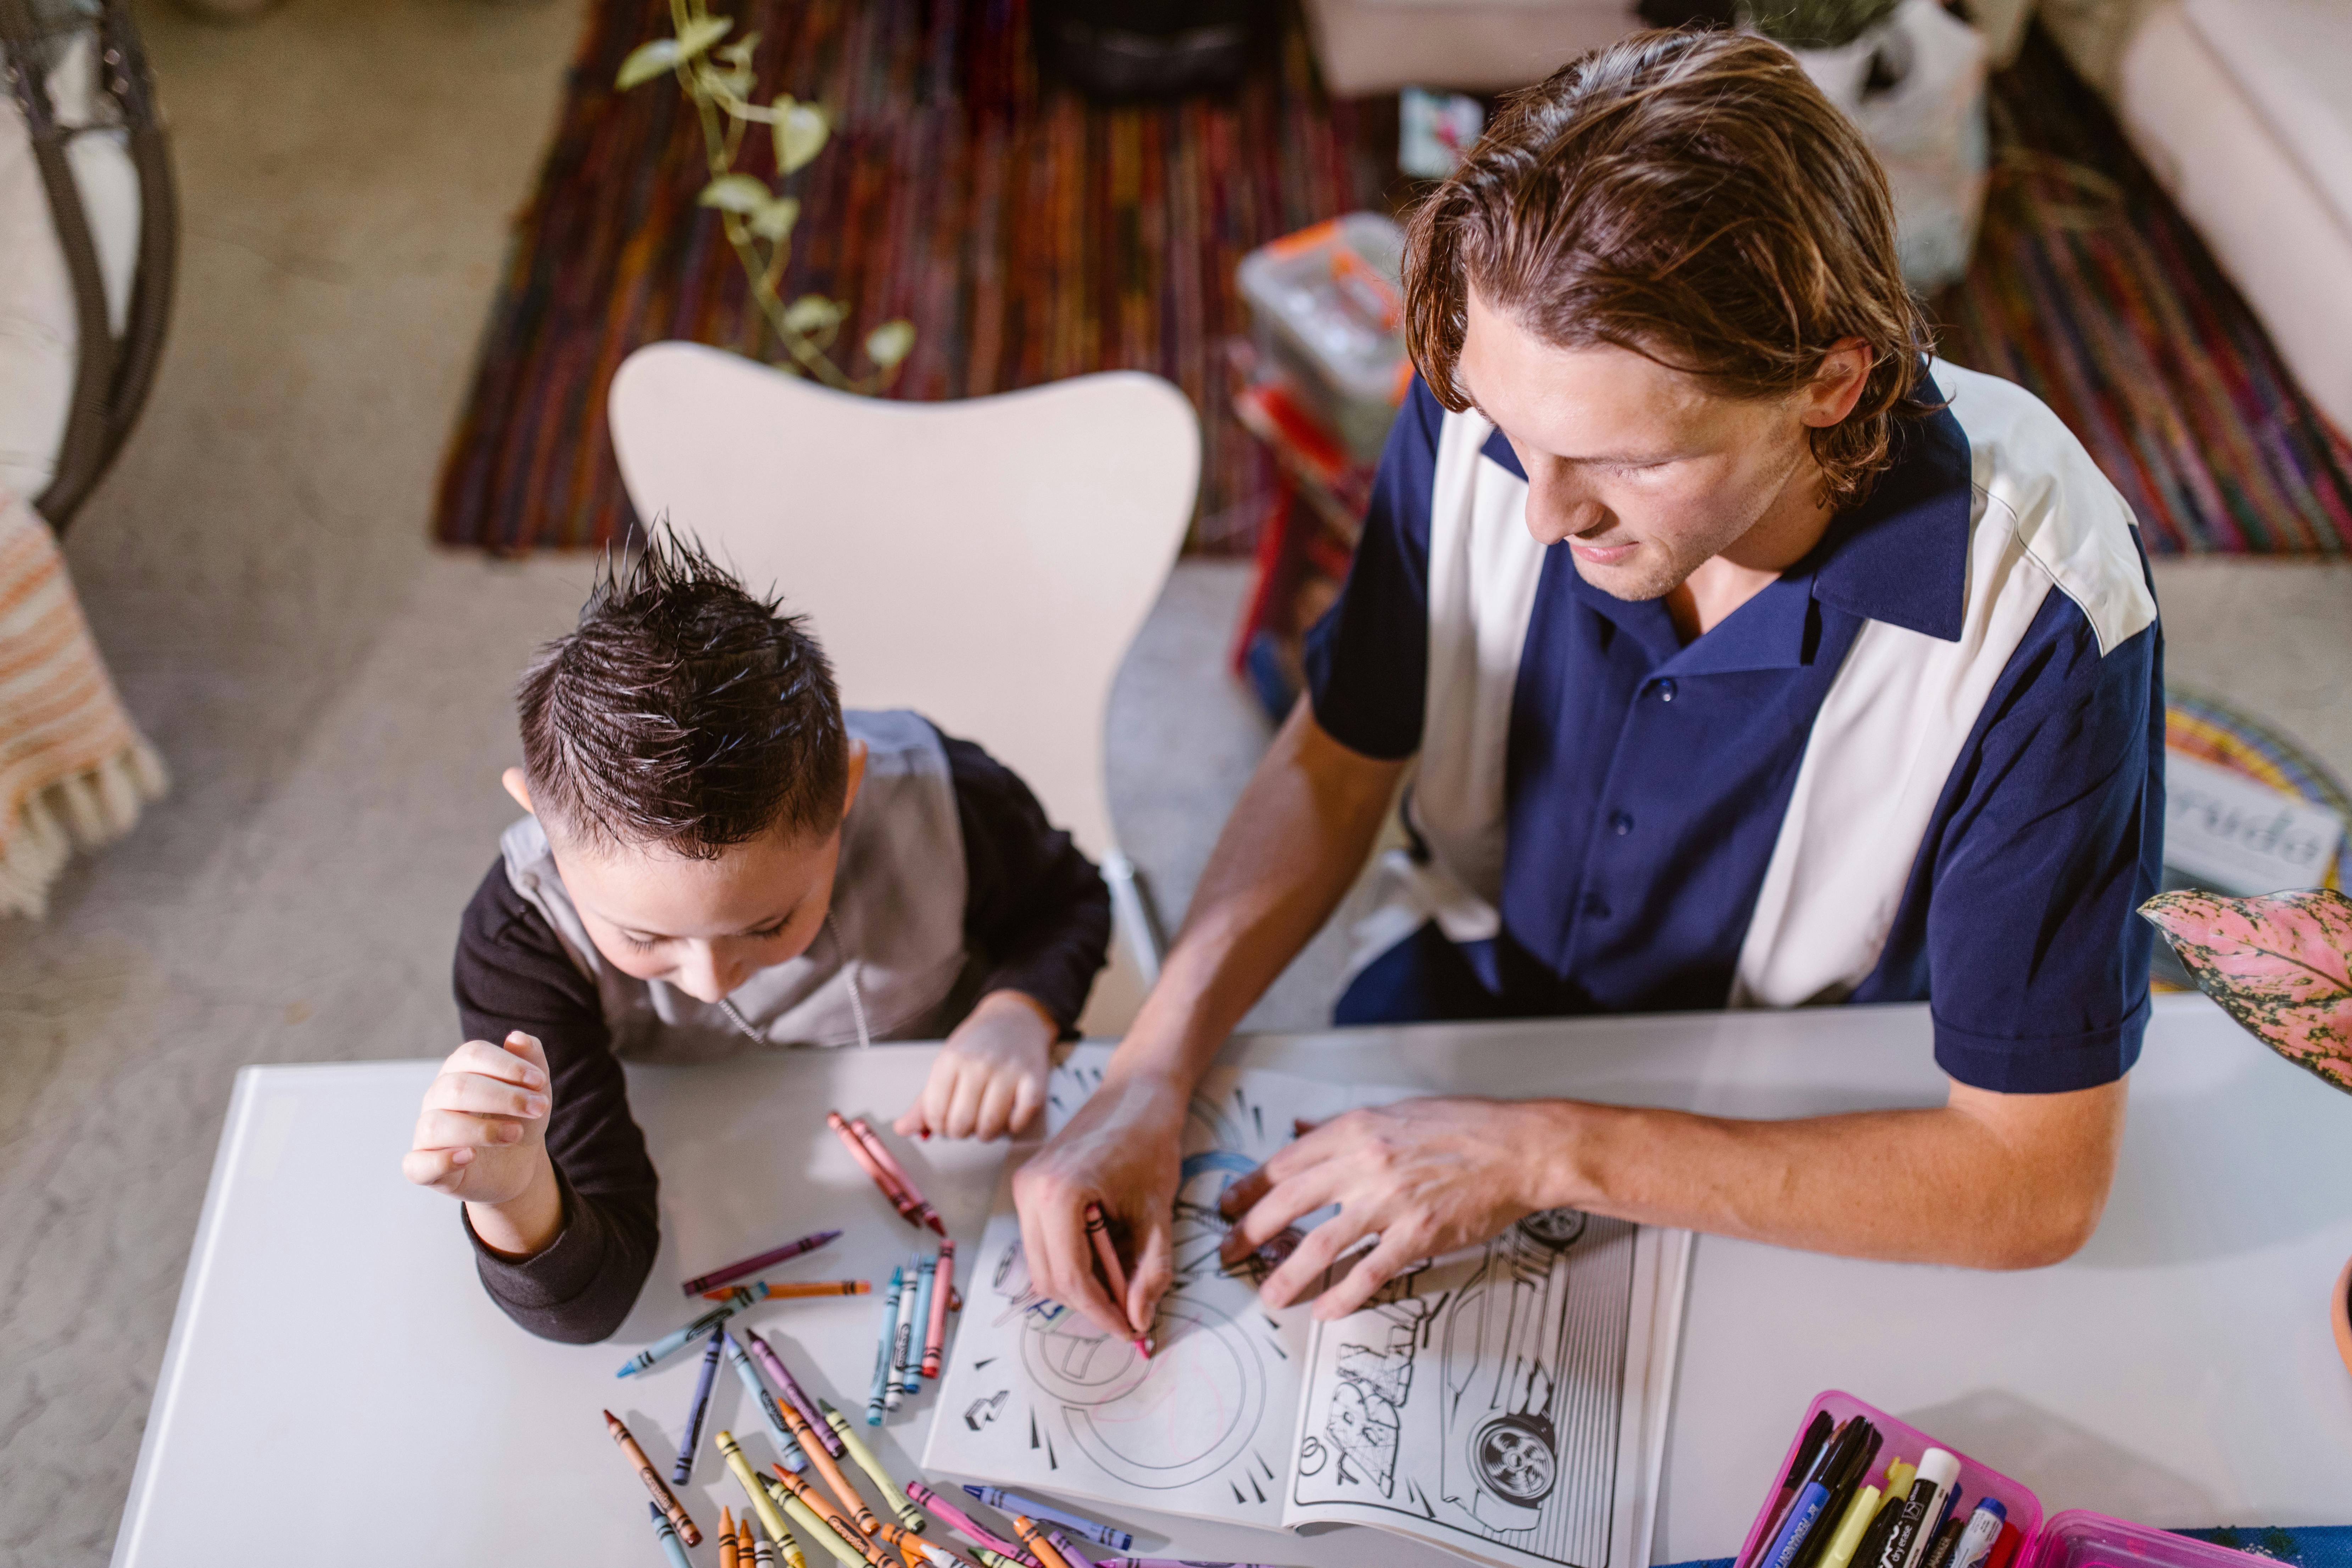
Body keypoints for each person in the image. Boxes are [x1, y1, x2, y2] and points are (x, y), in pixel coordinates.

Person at [1015, 29, 2163, 1343]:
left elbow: (2033, 1184)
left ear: (1829, 384)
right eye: (1515, 438)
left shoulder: (2047, 608)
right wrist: (1150, 1068)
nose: (1542, 512)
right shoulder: (1498, 397)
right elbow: (1341, 756)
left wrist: (1545, 1152)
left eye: (1622, 460)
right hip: (1458, 991)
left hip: (1817, 1120)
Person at [401, 535, 1110, 1341]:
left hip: (953, 1160)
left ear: (847, 788)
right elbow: (596, 1299)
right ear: (540, 818)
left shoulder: (952, 802)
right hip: (715, 1166)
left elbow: (1072, 899)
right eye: (642, 935)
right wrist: (513, 1193)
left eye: (768, 922)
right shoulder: (517, 943)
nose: (708, 983)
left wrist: (1019, 1010)